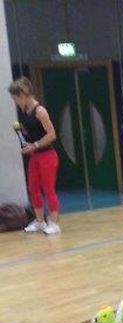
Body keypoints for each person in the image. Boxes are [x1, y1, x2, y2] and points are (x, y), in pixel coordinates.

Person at [8, 77, 61, 235]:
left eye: (15, 98)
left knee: (48, 189)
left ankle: (54, 223)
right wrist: (23, 137)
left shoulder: (40, 111)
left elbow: (51, 134)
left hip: (47, 156)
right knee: (33, 188)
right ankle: (40, 221)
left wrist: (35, 145)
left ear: (22, 95)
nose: (15, 102)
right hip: (35, 156)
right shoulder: (24, 111)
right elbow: (33, 132)